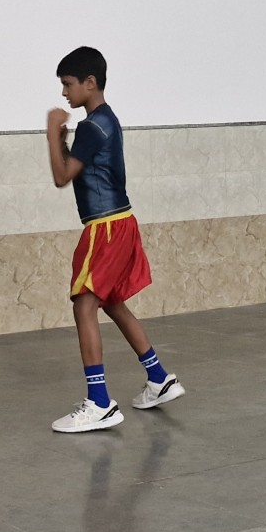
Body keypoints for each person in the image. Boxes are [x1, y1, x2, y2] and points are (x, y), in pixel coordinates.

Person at [45, 46, 183, 433]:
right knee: (111, 302)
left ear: (90, 83)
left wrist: (51, 134)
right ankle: (158, 377)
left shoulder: (93, 125)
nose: (64, 93)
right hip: (121, 222)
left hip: (105, 227)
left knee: (84, 305)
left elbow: (61, 176)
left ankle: (99, 402)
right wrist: (63, 141)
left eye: (68, 84)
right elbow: (80, 169)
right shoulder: (105, 120)